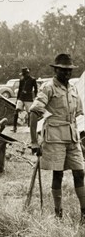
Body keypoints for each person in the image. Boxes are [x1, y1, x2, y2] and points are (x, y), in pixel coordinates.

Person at [29, 54, 84, 222]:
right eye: (63, 70)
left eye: (69, 70)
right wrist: (33, 141)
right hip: (54, 137)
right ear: (56, 70)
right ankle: (58, 213)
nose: (67, 73)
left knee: (80, 172)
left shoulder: (73, 88)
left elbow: (79, 115)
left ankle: (84, 212)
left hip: (72, 137)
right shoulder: (48, 88)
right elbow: (34, 112)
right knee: (58, 174)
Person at [13, 67, 37, 132]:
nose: (24, 76)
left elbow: (35, 89)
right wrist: (17, 98)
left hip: (28, 98)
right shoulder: (21, 80)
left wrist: (35, 97)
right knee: (16, 110)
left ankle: (29, 127)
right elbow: (20, 90)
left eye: (25, 74)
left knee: (29, 112)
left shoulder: (32, 80)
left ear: (27, 73)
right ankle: (14, 127)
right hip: (21, 97)